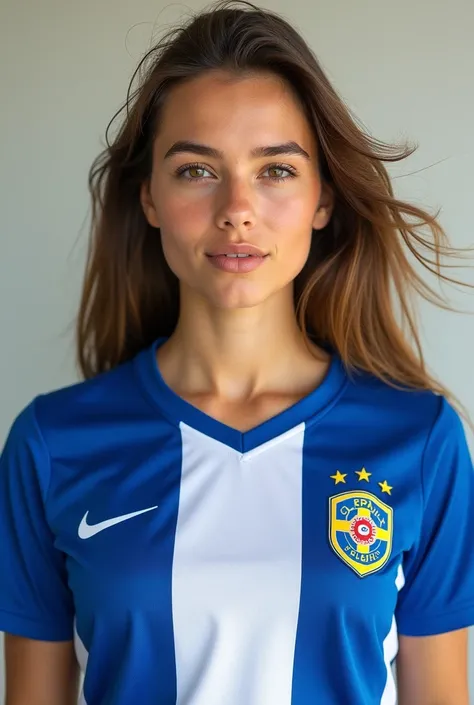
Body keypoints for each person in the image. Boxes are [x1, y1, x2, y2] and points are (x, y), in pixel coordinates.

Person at [1, 1, 474, 703]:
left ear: (323, 197)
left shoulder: (419, 441)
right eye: (196, 170)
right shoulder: (52, 444)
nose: (237, 208)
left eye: (276, 170)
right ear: (151, 197)